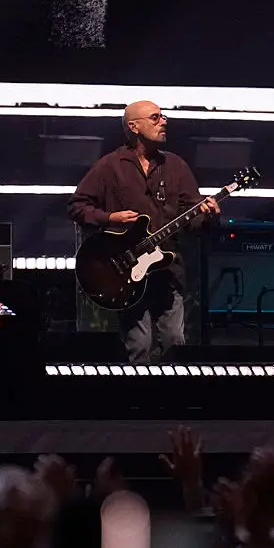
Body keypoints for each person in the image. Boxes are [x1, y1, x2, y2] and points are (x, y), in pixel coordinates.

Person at [67, 101, 220, 362]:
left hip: (168, 272)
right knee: (139, 345)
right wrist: (109, 218)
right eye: (155, 117)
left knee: (175, 344)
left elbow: (192, 221)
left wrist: (208, 216)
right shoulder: (110, 166)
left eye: (163, 117)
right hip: (127, 274)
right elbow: (77, 206)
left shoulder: (176, 166)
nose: (164, 122)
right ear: (134, 127)